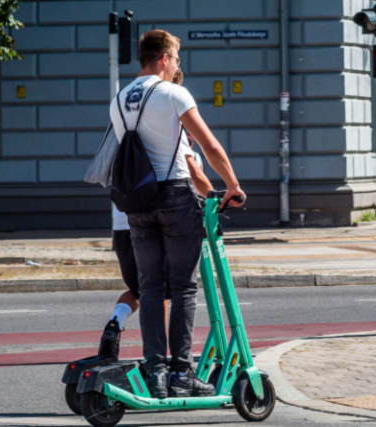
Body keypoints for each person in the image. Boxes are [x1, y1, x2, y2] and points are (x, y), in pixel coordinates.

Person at [109, 29, 245, 399]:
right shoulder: (172, 93)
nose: (176, 67)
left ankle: (156, 372)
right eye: (176, 61)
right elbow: (208, 144)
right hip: (174, 195)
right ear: (165, 58)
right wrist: (232, 185)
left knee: (151, 286)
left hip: (137, 202)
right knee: (183, 287)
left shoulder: (119, 98)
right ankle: (182, 373)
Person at [98, 70, 214, 360]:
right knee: (177, 289)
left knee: (144, 289)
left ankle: (121, 328)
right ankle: (172, 364)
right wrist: (217, 197)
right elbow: (196, 171)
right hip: (168, 207)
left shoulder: (126, 124)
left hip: (126, 220)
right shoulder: (173, 137)